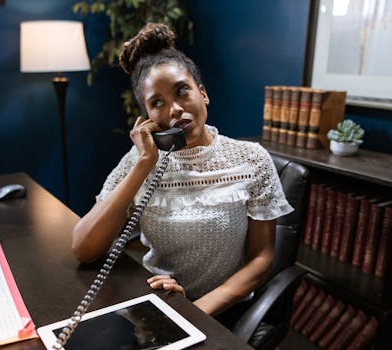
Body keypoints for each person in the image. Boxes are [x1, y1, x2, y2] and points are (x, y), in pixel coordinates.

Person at [71, 23, 293, 320]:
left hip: (222, 310)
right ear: (146, 118)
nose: (174, 110)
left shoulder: (251, 159)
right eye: (157, 103)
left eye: (182, 91)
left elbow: (262, 259)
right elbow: (83, 248)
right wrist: (143, 164)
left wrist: (195, 312)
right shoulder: (139, 160)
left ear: (203, 94)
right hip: (158, 302)